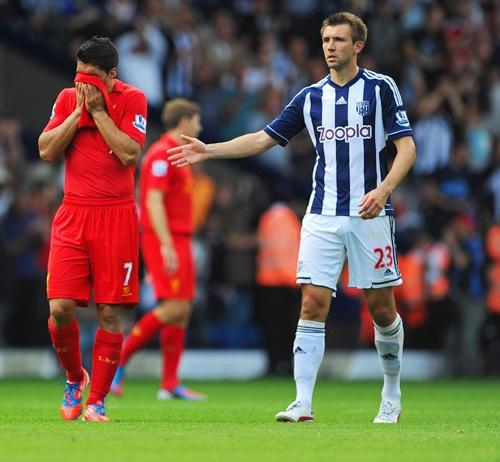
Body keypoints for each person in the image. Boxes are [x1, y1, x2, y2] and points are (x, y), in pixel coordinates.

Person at [168, 12, 416, 424]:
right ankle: (302, 402)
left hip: (370, 213)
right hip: (321, 214)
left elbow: (406, 148)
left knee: (382, 309)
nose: (330, 46)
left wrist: (384, 190)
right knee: (312, 301)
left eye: (339, 39)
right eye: (326, 40)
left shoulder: (380, 89)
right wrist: (208, 150)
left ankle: (391, 392)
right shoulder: (309, 97)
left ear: (357, 46)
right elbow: (263, 138)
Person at [38, 36, 147, 421]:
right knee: (60, 309)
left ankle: (97, 401)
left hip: (115, 215)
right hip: (73, 213)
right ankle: (74, 376)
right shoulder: (69, 97)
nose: (83, 83)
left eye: (92, 78)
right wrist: (78, 112)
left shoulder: (133, 100)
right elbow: (47, 149)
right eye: (79, 75)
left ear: (112, 76)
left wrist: (99, 113)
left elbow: (131, 154)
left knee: (110, 312)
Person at [111, 98, 206, 401]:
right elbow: (152, 201)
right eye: (196, 120)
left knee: (182, 312)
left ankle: (169, 384)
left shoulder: (178, 154)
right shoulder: (161, 154)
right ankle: (118, 362)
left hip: (179, 237)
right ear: (184, 121)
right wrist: (166, 244)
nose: (199, 126)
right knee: (173, 308)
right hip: (163, 237)